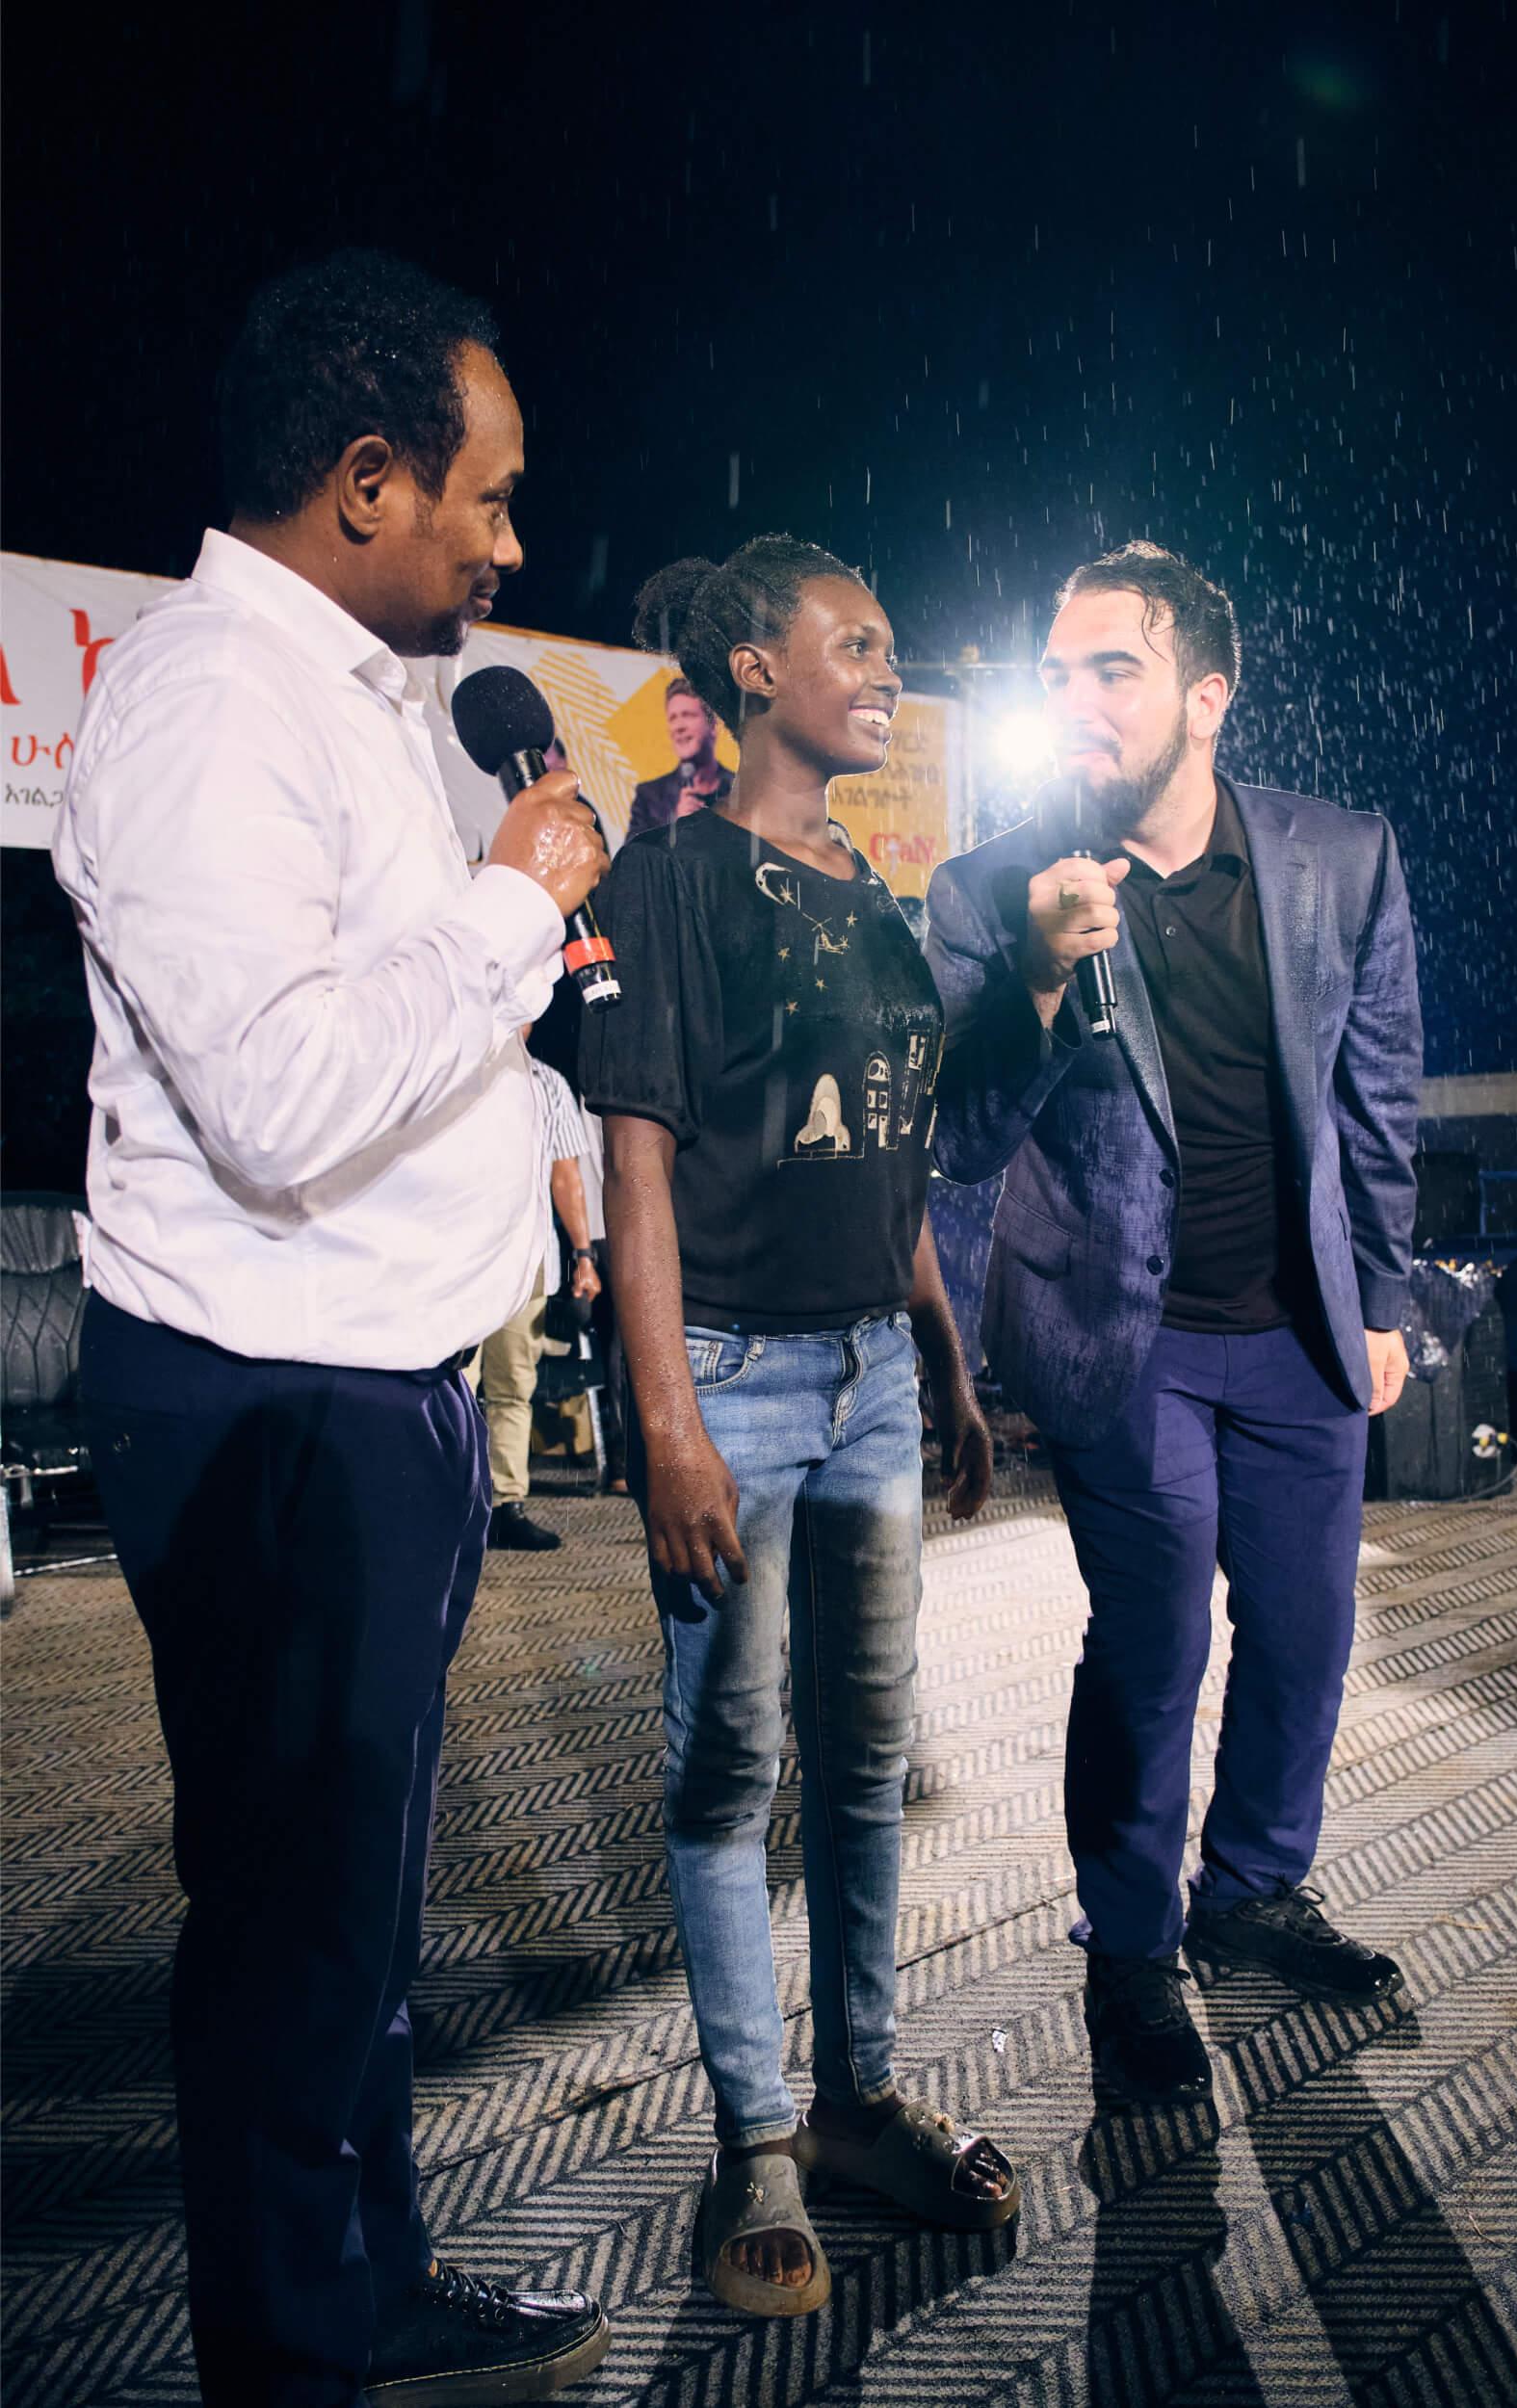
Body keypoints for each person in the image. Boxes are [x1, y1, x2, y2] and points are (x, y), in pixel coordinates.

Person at [51, 250, 612, 2407]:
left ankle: (366, 2286)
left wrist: (516, 1015)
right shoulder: (211, 701)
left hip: (374, 1388)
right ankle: (289, 2358)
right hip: (273, 1404)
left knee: (351, 1909)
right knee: (291, 1926)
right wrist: (507, 904)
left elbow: (401, 1039)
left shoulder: (349, 699)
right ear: (367, 480)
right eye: (490, 494)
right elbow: (281, 1098)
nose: (510, 543)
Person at [579, 536, 1019, 2318]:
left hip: (873, 1383)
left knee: (862, 1756)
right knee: (727, 1767)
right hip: (735, 1381)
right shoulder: (667, 880)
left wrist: (945, 1359)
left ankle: (856, 2103)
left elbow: (886, 1155)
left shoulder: (875, 896)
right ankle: (754, 2140)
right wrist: (668, 1424)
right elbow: (635, 1166)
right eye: (855, 643)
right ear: (754, 670)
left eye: (891, 647)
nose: (886, 674)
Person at [925, 541, 1421, 2107]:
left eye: (1112, 669)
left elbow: (1376, 1096)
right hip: (1117, 1338)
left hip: (1297, 1330)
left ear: (1205, 696)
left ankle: (1255, 1887)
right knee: (1151, 1646)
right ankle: (1130, 1945)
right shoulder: (991, 887)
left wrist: (1381, 1294)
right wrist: (1036, 978)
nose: (1074, 698)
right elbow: (960, 1133)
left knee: (1303, 1631)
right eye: (1055, 673)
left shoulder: (1337, 856)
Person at [474, 1057, 603, 1550]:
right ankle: (450, 1500)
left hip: (526, 1261)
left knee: (513, 1386)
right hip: (458, 1263)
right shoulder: (457, 1062)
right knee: (453, 1388)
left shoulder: (548, 1083)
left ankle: (506, 1504)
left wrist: (584, 1255)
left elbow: (565, 1175)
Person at [624, 673, 733, 839]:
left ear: (712, 725)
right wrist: (674, 826)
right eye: (673, 718)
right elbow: (633, 854)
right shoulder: (650, 797)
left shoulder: (739, 790)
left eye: (688, 715)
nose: (678, 727)